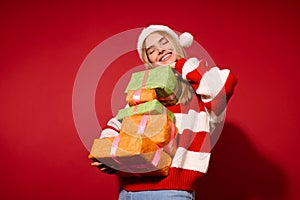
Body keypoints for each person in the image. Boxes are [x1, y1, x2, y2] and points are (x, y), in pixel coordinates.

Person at [91, 25, 238, 200]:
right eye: (151, 51)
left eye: (164, 42)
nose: (160, 51)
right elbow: (119, 123)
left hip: (171, 191)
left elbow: (222, 88)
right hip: (129, 192)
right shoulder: (146, 91)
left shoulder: (200, 89)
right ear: (149, 61)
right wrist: (108, 155)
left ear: (177, 45)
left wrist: (178, 63)